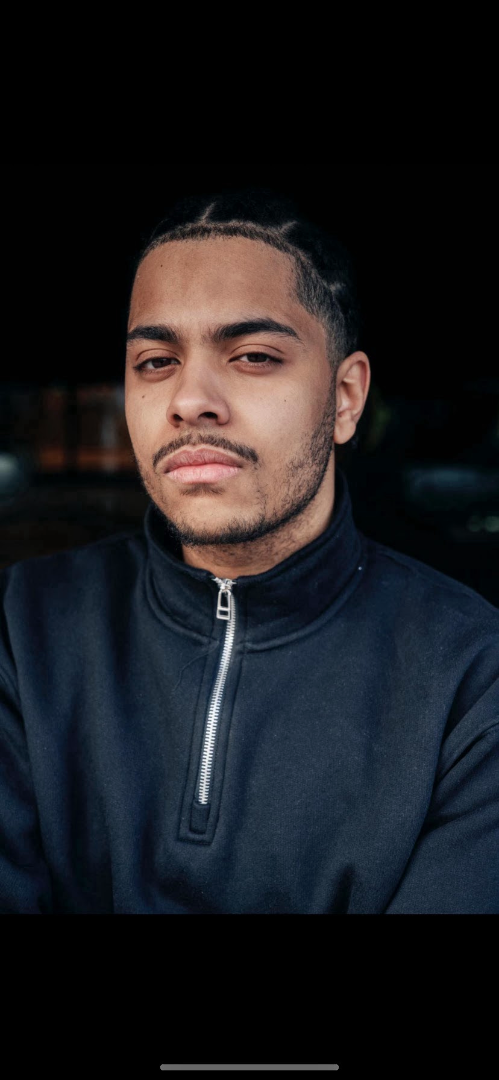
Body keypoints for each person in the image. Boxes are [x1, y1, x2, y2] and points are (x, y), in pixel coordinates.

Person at [0, 188, 497, 914]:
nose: (189, 399)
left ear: (346, 397)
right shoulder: (21, 629)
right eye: (155, 361)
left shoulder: (472, 677)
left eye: (254, 356)